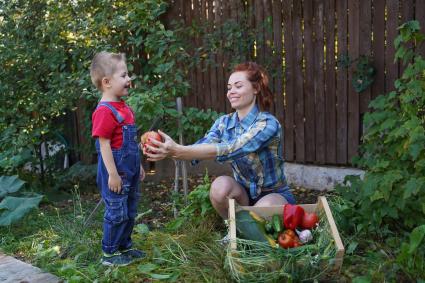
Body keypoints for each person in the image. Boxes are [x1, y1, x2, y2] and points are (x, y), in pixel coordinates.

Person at [144, 62, 296, 220]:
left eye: (238, 86)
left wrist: (178, 150)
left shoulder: (267, 124)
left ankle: (247, 234)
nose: (231, 92)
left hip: (274, 195)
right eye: (229, 88)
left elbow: (233, 148)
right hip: (243, 194)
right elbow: (203, 147)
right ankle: (235, 230)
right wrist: (164, 149)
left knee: (264, 209)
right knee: (219, 187)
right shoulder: (224, 122)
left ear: (256, 88)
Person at [90, 51, 146, 266]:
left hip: (129, 170)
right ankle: (110, 253)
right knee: (116, 211)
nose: (128, 79)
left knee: (130, 209)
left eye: (128, 74)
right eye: (123, 75)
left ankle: (124, 246)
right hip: (116, 173)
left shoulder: (124, 107)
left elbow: (130, 144)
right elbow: (103, 145)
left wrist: (138, 164)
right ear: (106, 82)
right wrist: (112, 175)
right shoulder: (105, 111)